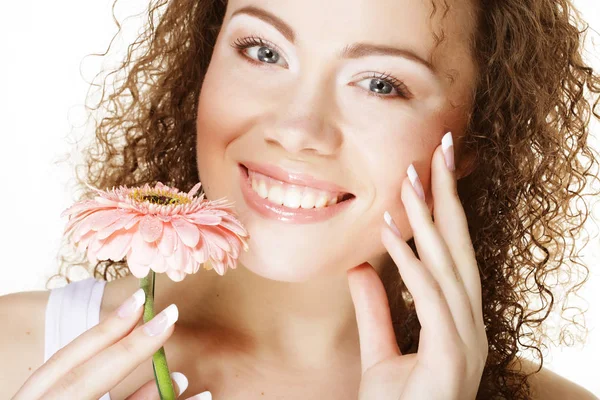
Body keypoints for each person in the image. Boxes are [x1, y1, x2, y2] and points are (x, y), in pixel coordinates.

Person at [2, 0, 600, 398]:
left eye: (380, 84)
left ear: (476, 136)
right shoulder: (14, 352)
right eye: (264, 51)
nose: (297, 128)